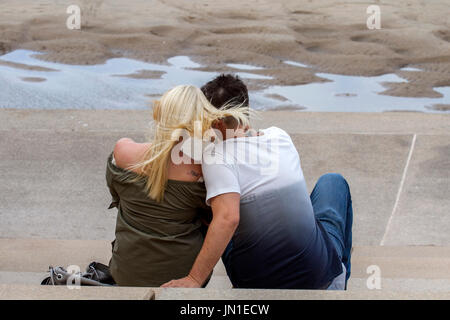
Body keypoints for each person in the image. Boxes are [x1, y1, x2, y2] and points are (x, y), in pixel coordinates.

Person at [162, 75, 353, 290]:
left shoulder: (215, 156)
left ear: (212, 119)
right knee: (333, 183)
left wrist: (194, 279)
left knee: (216, 210)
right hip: (319, 280)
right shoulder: (280, 136)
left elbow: (226, 218)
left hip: (254, 283)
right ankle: (339, 281)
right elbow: (229, 217)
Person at [106, 84, 249, 286]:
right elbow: (217, 220)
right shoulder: (203, 168)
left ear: (160, 114)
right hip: (182, 275)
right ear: (201, 120)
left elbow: (117, 196)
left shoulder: (123, 151)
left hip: (126, 273)